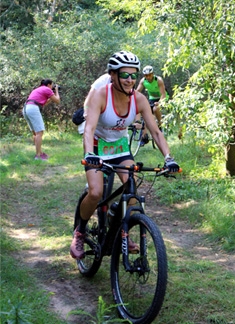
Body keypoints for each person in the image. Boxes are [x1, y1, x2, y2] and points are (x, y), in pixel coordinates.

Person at [70, 51, 180, 260]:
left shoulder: (139, 99)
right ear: (112, 75)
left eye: (133, 75)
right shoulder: (101, 94)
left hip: (120, 148)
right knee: (95, 192)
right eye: (124, 75)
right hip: (97, 146)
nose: (130, 80)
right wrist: (90, 153)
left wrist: (168, 157)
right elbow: (89, 128)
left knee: (132, 186)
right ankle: (80, 232)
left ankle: (122, 227)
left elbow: (155, 131)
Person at [23, 79, 60, 160]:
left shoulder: (38, 89)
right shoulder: (47, 89)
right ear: (49, 85)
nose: (52, 87)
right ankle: (38, 155)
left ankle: (40, 153)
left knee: (36, 133)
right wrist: (56, 91)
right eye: (52, 85)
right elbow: (57, 100)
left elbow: (44, 103)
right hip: (33, 108)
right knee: (40, 132)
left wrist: (50, 97)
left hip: (26, 108)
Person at [135, 65, 169, 145]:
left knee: (155, 109)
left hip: (162, 98)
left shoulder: (158, 80)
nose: (148, 77)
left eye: (150, 75)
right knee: (146, 114)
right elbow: (137, 92)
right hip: (152, 98)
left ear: (153, 74)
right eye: (146, 75)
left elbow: (163, 95)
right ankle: (144, 136)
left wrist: (159, 102)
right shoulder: (143, 81)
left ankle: (160, 125)